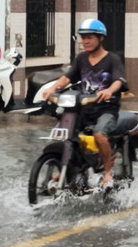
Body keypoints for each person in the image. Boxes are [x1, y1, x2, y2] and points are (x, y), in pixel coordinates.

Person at [43, 18, 126, 186]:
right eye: (83, 37)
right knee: (64, 134)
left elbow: (119, 80)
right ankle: (66, 167)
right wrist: (52, 89)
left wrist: (109, 90)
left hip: (106, 109)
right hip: (83, 109)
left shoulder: (112, 59)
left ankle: (108, 172)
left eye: (90, 37)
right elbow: (67, 77)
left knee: (99, 135)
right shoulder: (81, 59)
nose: (85, 41)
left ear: (100, 38)